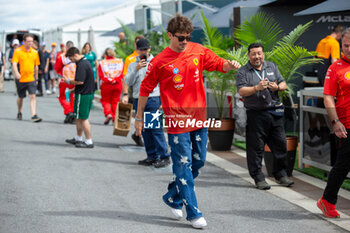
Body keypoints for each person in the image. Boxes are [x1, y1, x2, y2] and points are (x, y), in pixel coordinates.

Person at [134, 14, 241, 229]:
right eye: (180, 38)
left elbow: (219, 64)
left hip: (199, 118)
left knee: (199, 161)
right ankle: (193, 212)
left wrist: (230, 65)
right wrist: (139, 118)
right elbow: (145, 90)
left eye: (187, 37)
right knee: (183, 165)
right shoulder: (159, 61)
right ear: (170, 35)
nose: (184, 41)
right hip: (176, 121)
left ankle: (173, 196)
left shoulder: (198, 50)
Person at [235, 43, 294, 190]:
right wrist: (256, 88)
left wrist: (277, 87)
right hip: (256, 114)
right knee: (256, 148)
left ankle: (280, 175)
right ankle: (258, 177)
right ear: (248, 55)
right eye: (253, 54)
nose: (257, 57)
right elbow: (241, 91)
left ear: (263, 54)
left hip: (275, 113)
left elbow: (283, 84)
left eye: (259, 53)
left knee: (280, 144)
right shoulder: (243, 72)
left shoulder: (271, 67)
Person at [317, 28, 350, 218]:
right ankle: (328, 201)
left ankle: (327, 200)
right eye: (345, 45)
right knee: (343, 164)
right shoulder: (335, 68)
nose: (348, 49)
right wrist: (335, 122)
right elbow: (328, 97)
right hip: (345, 125)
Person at [124, 38, 170, 168]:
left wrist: (163, 100)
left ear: (149, 48)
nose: (144, 51)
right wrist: (136, 69)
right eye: (141, 49)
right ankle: (151, 156)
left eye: (146, 49)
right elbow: (128, 82)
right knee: (145, 129)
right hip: (139, 99)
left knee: (155, 128)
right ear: (137, 50)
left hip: (153, 98)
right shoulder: (133, 64)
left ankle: (164, 156)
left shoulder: (157, 63)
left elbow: (164, 82)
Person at [64, 47, 95, 148]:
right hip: (85, 92)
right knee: (78, 117)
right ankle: (78, 138)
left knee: (83, 118)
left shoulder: (81, 64)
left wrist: (68, 81)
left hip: (83, 94)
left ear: (75, 55)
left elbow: (80, 81)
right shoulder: (84, 62)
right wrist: (73, 90)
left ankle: (89, 141)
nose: (71, 61)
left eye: (71, 59)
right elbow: (85, 81)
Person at [12, 33, 42, 122]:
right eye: (28, 41)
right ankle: (19, 111)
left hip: (31, 78)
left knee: (32, 96)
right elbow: (14, 63)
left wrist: (36, 78)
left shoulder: (34, 52)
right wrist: (16, 73)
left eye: (31, 41)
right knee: (20, 97)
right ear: (24, 41)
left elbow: (36, 66)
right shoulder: (18, 51)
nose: (30, 43)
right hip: (21, 78)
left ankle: (33, 115)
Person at [122, 34, 145, 146]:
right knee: (140, 116)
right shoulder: (130, 59)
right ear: (135, 44)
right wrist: (125, 94)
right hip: (136, 93)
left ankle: (137, 134)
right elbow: (125, 77)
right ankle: (139, 134)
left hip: (149, 94)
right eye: (137, 42)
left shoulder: (150, 57)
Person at [97, 48, 124, 124]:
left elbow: (101, 75)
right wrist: (116, 79)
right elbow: (122, 74)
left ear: (105, 54)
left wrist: (110, 80)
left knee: (105, 101)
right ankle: (115, 117)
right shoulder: (120, 61)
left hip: (107, 85)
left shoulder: (102, 63)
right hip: (118, 84)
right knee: (116, 101)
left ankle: (108, 114)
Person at [54, 41, 76, 123]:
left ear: (66, 47)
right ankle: (72, 114)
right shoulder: (77, 56)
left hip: (65, 81)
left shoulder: (62, 57)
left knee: (63, 97)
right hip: (74, 81)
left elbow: (57, 68)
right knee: (72, 98)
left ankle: (68, 112)